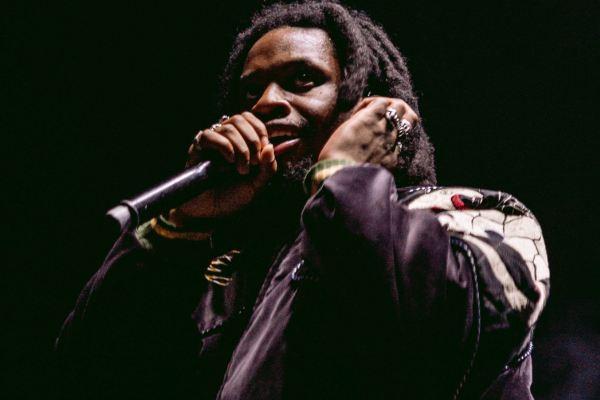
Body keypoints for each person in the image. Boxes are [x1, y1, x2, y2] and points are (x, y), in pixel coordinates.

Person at [55, 1, 549, 399]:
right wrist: (179, 228)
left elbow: (427, 324)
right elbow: (88, 371)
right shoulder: (227, 273)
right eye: (250, 91)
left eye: (302, 80)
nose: (266, 103)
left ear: (369, 104)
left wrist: (345, 176)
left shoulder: (475, 216)